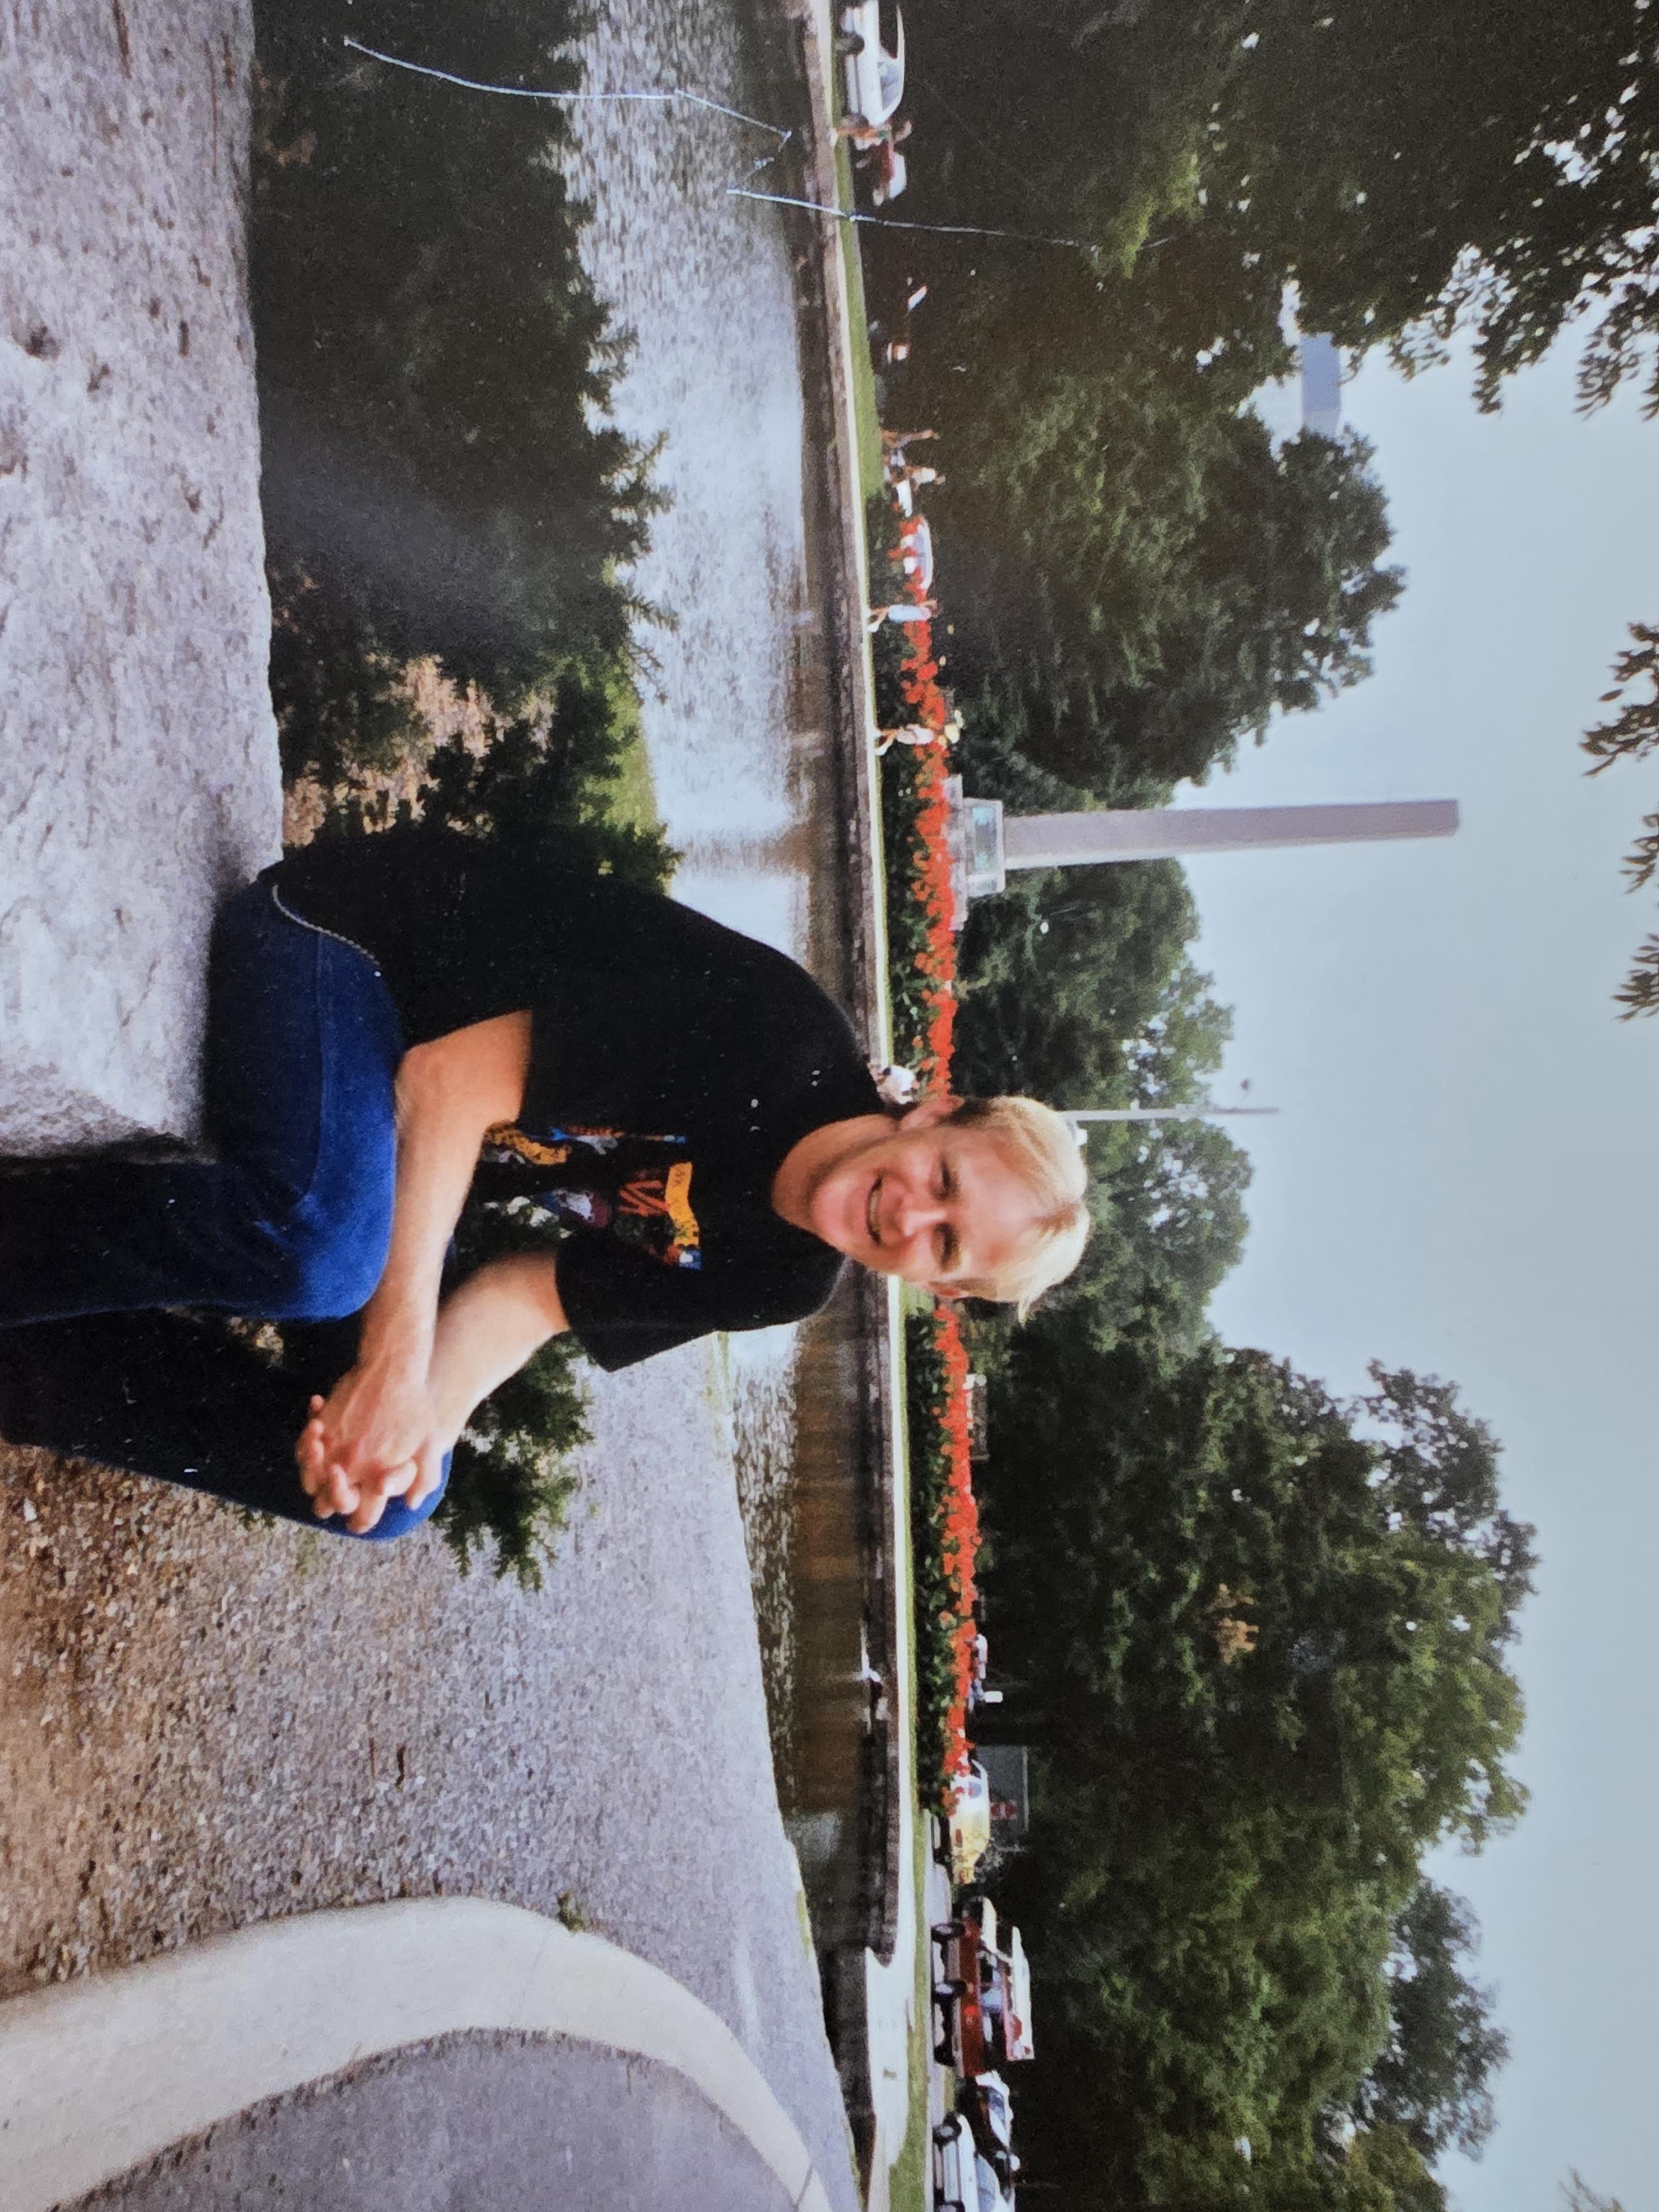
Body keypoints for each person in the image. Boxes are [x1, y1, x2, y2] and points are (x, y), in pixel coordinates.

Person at [0, 827, 1089, 1540]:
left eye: (946, 1242)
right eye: (941, 1176)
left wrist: (407, 1419)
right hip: (345, 954)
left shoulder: (784, 1277)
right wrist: (391, 1355)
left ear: (940, 1291)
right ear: (936, 1109)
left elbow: (530, 1297)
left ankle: (25, 1363)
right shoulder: (773, 1041)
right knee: (317, 1250)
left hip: (385, 1124)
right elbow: (448, 1077)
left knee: (395, 1496)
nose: (911, 1212)